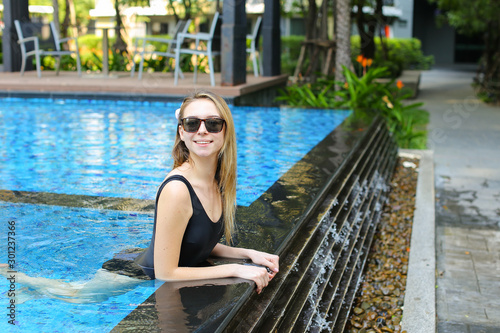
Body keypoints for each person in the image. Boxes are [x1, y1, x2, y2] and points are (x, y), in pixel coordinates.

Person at [135, 90, 279, 294]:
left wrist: (248, 254)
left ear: (225, 131)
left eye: (213, 124)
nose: (202, 130)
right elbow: (164, 273)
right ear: (182, 132)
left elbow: (197, 243)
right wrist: (235, 269)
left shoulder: (218, 180)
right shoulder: (177, 190)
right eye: (192, 123)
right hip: (129, 280)